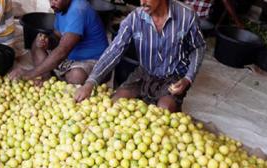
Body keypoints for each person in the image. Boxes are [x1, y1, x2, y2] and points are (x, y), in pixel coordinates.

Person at [75, 0, 206, 113]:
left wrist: (188, 78)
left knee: (164, 110)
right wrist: (91, 82)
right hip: (144, 73)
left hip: (173, 76)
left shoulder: (186, 17)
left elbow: (198, 47)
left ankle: (173, 104)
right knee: (116, 104)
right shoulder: (134, 19)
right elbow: (114, 51)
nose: (142, 2)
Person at [9, 0, 109, 85]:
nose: (52, 4)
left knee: (76, 76)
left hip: (91, 60)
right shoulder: (60, 8)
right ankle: (47, 78)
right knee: (36, 42)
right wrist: (47, 42)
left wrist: (30, 73)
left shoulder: (78, 10)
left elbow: (63, 50)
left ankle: (52, 77)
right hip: (69, 59)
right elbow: (58, 37)